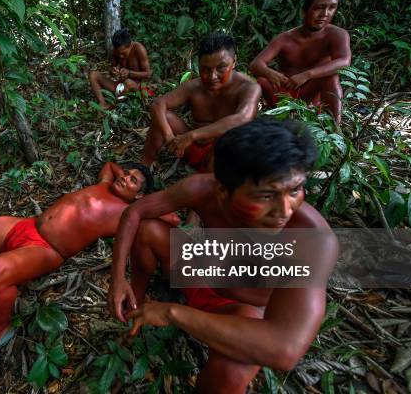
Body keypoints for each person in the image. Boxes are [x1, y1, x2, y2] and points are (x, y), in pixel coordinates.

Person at [108, 117, 339, 393]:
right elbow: (136, 211)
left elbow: (285, 348)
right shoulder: (201, 189)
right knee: (148, 231)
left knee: (229, 372)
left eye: (295, 190)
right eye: (265, 196)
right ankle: (134, 310)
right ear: (223, 190)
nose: (284, 210)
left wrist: (172, 313)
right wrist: (118, 277)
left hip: (241, 310)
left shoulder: (313, 238)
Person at [0, 162, 178, 362]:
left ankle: (0, 327)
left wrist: (145, 201)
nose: (125, 179)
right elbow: (110, 164)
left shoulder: (131, 212)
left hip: (47, 249)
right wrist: (124, 177)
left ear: (142, 196)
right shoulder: (105, 181)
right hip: (26, 226)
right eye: (127, 175)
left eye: (133, 181)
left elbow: (172, 218)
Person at [142, 32, 260, 173]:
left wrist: (192, 136)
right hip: (190, 149)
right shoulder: (194, 86)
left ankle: (206, 183)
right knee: (162, 117)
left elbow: (243, 118)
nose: (212, 76)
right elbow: (158, 104)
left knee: (228, 146)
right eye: (205, 69)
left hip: (222, 154)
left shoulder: (249, 87)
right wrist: (170, 138)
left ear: (234, 62)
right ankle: (143, 167)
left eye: (221, 67)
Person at [249, 0, 351, 124]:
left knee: (331, 77)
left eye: (332, 7)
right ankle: (279, 117)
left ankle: (335, 129)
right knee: (262, 80)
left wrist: (307, 74)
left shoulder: (337, 34)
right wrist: (271, 73)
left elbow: (344, 61)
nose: (325, 13)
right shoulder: (285, 38)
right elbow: (256, 64)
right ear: (304, 12)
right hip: (284, 97)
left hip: (312, 100)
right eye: (319, 8)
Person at [89, 29, 152, 110]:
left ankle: (110, 107)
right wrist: (113, 71)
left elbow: (148, 74)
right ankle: (102, 103)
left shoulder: (139, 49)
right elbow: (112, 68)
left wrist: (129, 73)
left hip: (137, 88)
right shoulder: (116, 51)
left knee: (128, 82)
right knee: (93, 74)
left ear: (130, 45)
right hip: (120, 86)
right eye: (118, 53)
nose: (121, 56)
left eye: (123, 53)